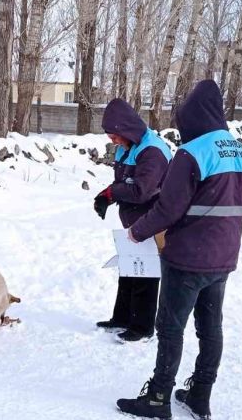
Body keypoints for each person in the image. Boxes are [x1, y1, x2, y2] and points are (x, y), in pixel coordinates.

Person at [116, 80, 242, 419]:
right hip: (223, 257)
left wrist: (137, 231)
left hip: (187, 258)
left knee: (170, 327)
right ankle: (200, 395)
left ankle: (158, 398)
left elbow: (168, 208)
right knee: (210, 328)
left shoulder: (192, 152)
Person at [94, 98, 172, 343]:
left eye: (115, 136)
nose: (113, 141)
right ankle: (122, 318)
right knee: (129, 267)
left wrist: (112, 193)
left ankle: (142, 327)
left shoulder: (152, 151)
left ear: (127, 130)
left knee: (145, 272)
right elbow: (123, 182)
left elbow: (141, 191)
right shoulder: (127, 147)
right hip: (134, 219)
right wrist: (107, 195)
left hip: (153, 220)